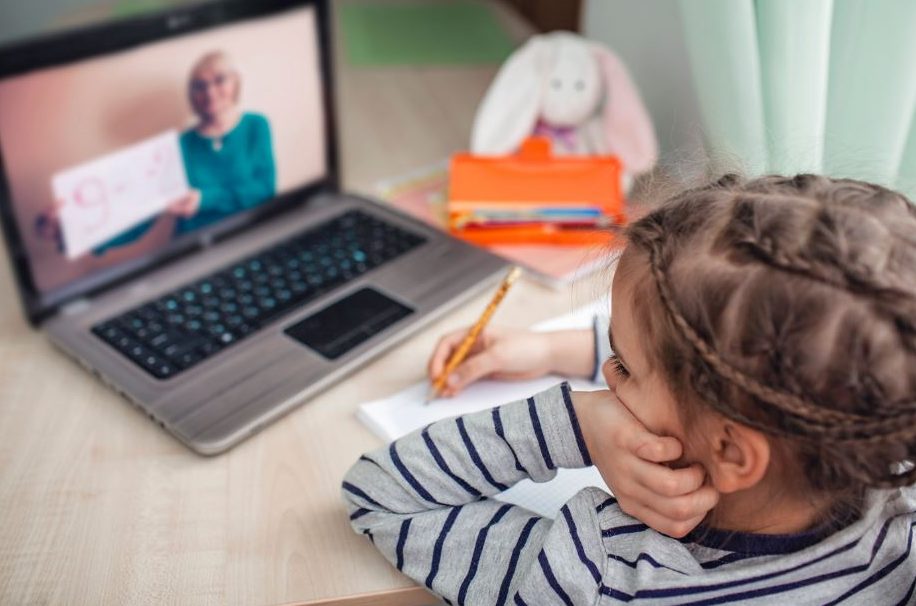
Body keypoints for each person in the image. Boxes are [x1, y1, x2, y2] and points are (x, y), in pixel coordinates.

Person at [342, 174, 916, 604]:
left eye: (622, 364)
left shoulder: (601, 574)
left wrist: (574, 424)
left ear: (731, 452)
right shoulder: (896, 521)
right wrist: (554, 350)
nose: (607, 372)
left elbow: (381, 494)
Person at [83, 50, 276, 256]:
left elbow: (264, 190)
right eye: (200, 86)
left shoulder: (256, 125)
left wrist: (204, 199)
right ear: (192, 95)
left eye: (219, 80)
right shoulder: (178, 145)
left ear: (235, 82)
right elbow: (146, 212)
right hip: (195, 250)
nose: (210, 92)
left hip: (249, 240)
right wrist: (85, 234)